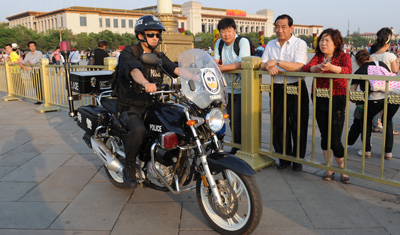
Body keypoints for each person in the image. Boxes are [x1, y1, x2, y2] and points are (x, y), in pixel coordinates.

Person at [116, 15, 179, 189]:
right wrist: (145, 83)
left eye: (158, 35)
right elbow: (134, 70)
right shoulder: (129, 53)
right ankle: (129, 167)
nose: (155, 38)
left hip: (153, 104)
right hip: (130, 105)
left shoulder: (158, 55)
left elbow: (173, 68)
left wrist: (195, 74)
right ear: (140, 35)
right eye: (151, 34)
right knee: (138, 130)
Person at [260, 14, 309, 171]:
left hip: (296, 87)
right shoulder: (271, 44)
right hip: (277, 88)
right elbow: (262, 63)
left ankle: (297, 159)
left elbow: (299, 66)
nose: (279, 30)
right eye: (277, 27)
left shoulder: (299, 44)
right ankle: (283, 157)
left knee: (298, 124)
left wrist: (278, 62)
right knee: (279, 123)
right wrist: (269, 66)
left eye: (283, 27)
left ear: (291, 28)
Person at [303, 28, 352, 184]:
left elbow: (348, 71)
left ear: (336, 43)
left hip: (337, 98)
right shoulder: (317, 57)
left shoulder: (343, 56)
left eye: (327, 41)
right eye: (322, 40)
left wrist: (332, 68)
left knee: (335, 138)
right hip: (319, 97)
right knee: (324, 134)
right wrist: (315, 68)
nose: (323, 43)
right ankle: (329, 168)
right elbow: (305, 68)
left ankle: (342, 169)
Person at [213, 17, 251, 154]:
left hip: (244, 87)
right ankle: (237, 146)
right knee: (232, 119)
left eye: (229, 31)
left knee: (241, 119)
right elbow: (215, 61)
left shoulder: (242, 42)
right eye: (223, 31)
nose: (226, 34)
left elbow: (242, 63)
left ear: (235, 30)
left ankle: (244, 147)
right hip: (227, 88)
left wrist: (222, 68)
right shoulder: (219, 43)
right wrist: (217, 66)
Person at [351, 52, 399, 160]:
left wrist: (358, 100)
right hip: (393, 96)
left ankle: (367, 150)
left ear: (358, 61)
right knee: (388, 121)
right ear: (369, 58)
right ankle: (388, 153)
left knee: (366, 121)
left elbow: (352, 94)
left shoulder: (359, 71)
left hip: (374, 99)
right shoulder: (381, 64)